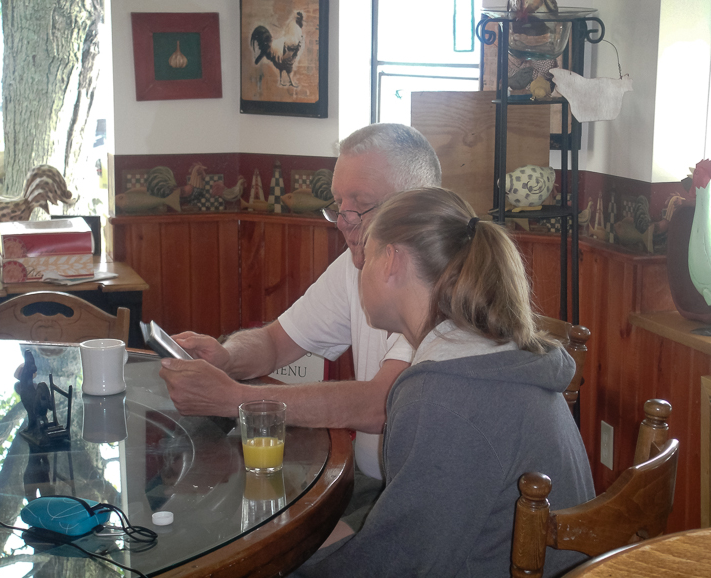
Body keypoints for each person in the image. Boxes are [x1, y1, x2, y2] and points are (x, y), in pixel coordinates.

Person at [292, 187, 595, 578]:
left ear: (391, 261)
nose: (359, 271)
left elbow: (404, 565)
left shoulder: (441, 397)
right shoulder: (487, 356)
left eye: (365, 257)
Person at [158, 123, 442, 528]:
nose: (343, 221)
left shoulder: (441, 279)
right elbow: (277, 341)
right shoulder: (356, 262)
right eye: (338, 204)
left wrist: (235, 401)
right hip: (365, 483)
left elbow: (383, 405)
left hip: (416, 503)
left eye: (358, 205)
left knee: (259, 540)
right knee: (241, 524)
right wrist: (227, 357)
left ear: (412, 207)